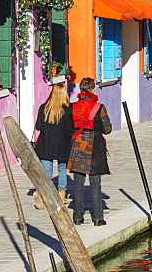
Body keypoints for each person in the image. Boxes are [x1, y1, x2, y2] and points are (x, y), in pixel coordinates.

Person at [68, 78, 112, 226]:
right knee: (95, 184)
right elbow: (108, 129)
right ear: (93, 90)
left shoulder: (72, 107)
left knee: (78, 184)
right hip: (95, 147)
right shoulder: (99, 108)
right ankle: (98, 218)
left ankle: (78, 217)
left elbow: (67, 129)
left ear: (81, 90)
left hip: (78, 147)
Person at [33, 82, 75, 209]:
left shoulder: (43, 108)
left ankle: (42, 196)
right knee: (62, 169)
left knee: (46, 172)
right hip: (62, 145)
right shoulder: (67, 110)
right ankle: (61, 195)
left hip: (45, 145)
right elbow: (69, 131)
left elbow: (38, 127)